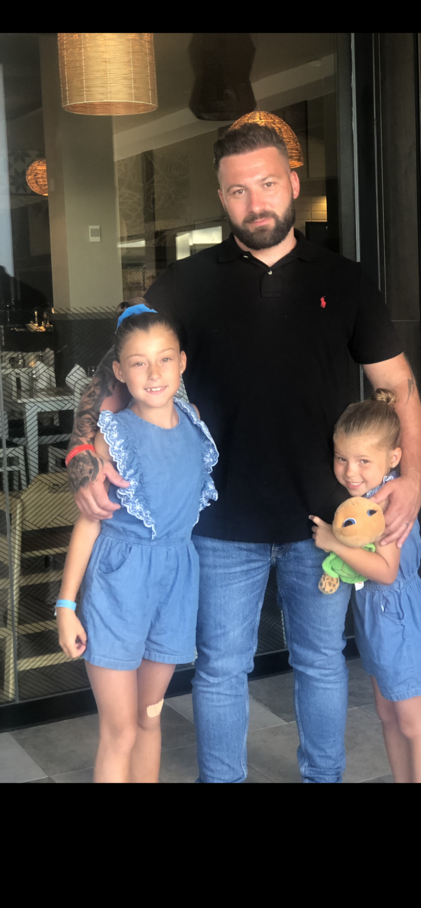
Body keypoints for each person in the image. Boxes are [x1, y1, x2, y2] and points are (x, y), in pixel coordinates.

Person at [67, 122, 421, 784]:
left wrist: (414, 479)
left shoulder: (344, 280)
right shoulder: (185, 283)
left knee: (321, 661)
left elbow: (396, 384)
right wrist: (81, 453)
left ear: (292, 183)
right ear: (221, 197)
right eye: (237, 191)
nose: (255, 202)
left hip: (326, 518)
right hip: (218, 521)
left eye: (267, 184)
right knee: (220, 668)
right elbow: (114, 371)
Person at [56, 304, 218, 783]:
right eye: (139, 363)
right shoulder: (112, 436)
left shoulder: (194, 422)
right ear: (119, 372)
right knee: (121, 730)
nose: (154, 373)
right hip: (119, 585)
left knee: (150, 718)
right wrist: (66, 605)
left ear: (182, 363)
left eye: (164, 359)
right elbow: (90, 524)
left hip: (176, 583)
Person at [310, 389, 421, 783]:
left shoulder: (388, 504)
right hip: (375, 618)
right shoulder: (363, 498)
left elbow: (385, 571)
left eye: (364, 461)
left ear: (393, 458)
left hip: (401, 618)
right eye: (342, 458)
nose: (351, 471)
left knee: (412, 721)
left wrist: (334, 543)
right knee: (387, 714)